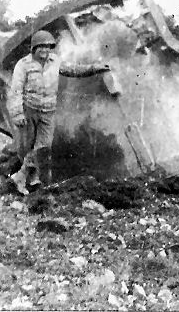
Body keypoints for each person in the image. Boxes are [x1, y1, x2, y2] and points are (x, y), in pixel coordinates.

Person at [8, 30, 111, 195]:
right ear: (34, 48)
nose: (44, 50)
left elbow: (73, 70)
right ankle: (30, 179)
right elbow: (15, 90)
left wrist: (94, 68)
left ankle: (22, 177)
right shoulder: (23, 65)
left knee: (43, 146)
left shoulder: (55, 61)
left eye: (48, 47)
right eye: (41, 47)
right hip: (30, 110)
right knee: (29, 145)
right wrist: (17, 114)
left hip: (48, 111)